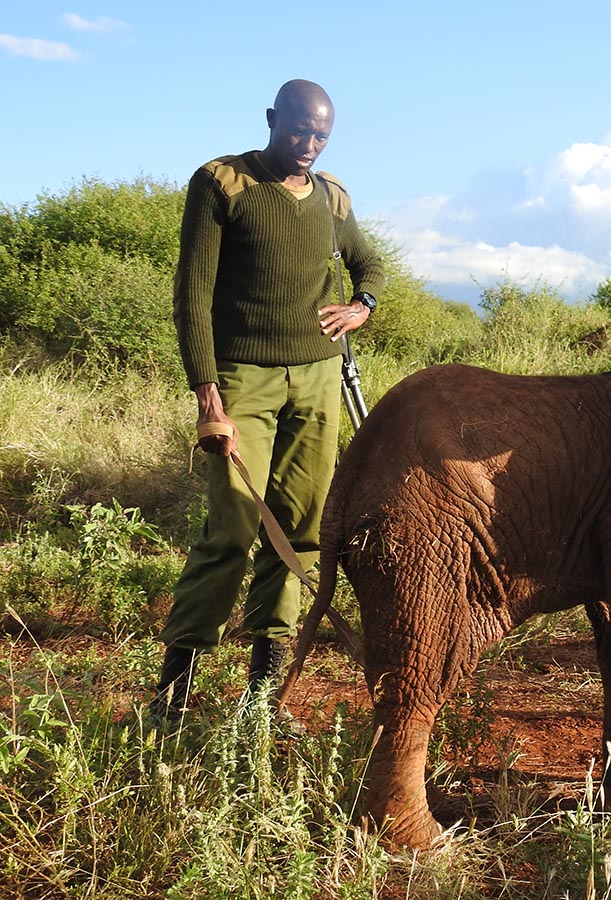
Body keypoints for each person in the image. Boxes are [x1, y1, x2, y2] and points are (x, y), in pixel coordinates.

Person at [150, 79, 386, 720]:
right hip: (240, 381)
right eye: (297, 131)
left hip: (316, 379)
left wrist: (361, 307)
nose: (308, 145)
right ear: (270, 120)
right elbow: (192, 296)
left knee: (301, 529)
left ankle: (263, 691)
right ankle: (175, 689)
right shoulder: (222, 182)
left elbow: (370, 264)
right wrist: (208, 394)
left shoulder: (331, 196)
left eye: (320, 135)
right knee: (232, 524)